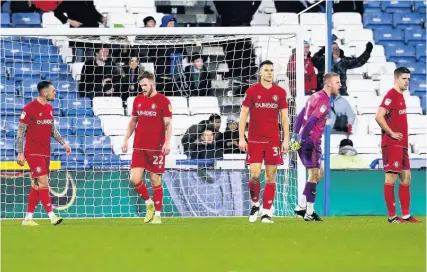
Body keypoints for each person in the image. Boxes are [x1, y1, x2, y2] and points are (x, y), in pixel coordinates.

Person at [239, 60, 289, 224]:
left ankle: (267, 212)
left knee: (271, 176)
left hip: (273, 140)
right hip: (254, 140)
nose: (269, 73)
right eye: (266, 70)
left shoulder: (280, 92)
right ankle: (255, 204)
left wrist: (286, 139)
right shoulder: (252, 91)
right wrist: (241, 137)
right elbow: (243, 115)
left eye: (271, 70)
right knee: (254, 175)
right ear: (260, 72)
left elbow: (284, 118)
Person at [17, 81, 72, 226]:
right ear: (45, 92)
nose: (55, 92)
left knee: (36, 185)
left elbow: (52, 130)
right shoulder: (29, 109)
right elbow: (20, 131)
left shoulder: (49, 108)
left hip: (46, 152)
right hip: (33, 152)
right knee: (43, 182)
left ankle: (27, 218)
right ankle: (52, 216)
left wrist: (63, 143)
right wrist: (20, 152)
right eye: (53, 90)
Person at [122, 71, 172, 224]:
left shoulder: (163, 101)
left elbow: (168, 123)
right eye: (141, 85)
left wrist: (167, 142)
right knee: (134, 179)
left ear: (153, 82)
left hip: (156, 147)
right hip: (139, 147)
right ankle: (148, 203)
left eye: (145, 85)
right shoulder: (137, 100)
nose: (143, 88)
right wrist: (125, 140)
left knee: (155, 179)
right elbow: (132, 122)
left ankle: (157, 214)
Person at [290, 72, 341, 221]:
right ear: (328, 84)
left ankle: (300, 207)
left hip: (304, 139)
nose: (340, 85)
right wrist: (301, 138)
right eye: (337, 82)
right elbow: (311, 120)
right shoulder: (324, 101)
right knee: (314, 174)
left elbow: (300, 116)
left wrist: (295, 135)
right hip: (311, 141)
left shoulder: (314, 96)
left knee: (320, 174)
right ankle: (309, 212)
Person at [375, 67, 421, 223]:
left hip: (402, 145)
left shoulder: (401, 96)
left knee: (407, 177)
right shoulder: (391, 95)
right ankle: (392, 216)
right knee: (391, 178)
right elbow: (379, 116)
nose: (407, 81)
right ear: (396, 79)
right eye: (404, 78)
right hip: (392, 144)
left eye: (408, 78)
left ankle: (406, 215)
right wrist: (391, 133)